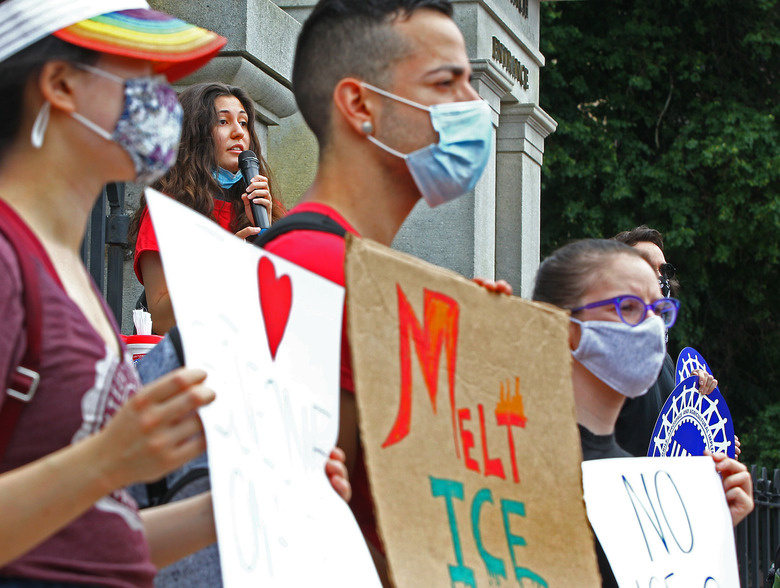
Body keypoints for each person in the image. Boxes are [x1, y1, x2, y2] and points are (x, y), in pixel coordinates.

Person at [0, 2, 349, 586]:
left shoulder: (69, 275)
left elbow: (95, 537)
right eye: (141, 76)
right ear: (59, 85)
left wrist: (255, 502)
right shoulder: (10, 259)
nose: (164, 101)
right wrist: (108, 459)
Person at [259, 0, 504, 583]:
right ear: (360, 105)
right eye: (446, 82)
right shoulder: (314, 268)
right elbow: (309, 518)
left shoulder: (368, 274)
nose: (475, 106)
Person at [532, 238, 753, 587]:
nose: (651, 326)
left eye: (659, 311)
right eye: (630, 307)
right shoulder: (516, 461)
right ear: (566, 327)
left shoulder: (634, 483)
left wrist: (706, 539)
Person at [130, 81, 286, 335]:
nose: (239, 133)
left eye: (244, 123)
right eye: (223, 122)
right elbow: (159, 320)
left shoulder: (268, 210)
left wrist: (269, 238)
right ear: (195, 134)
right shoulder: (168, 211)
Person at [611, 225, 732, 457]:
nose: (659, 278)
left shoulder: (664, 361)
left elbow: (668, 443)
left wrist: (709, 427)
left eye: (664, 270)